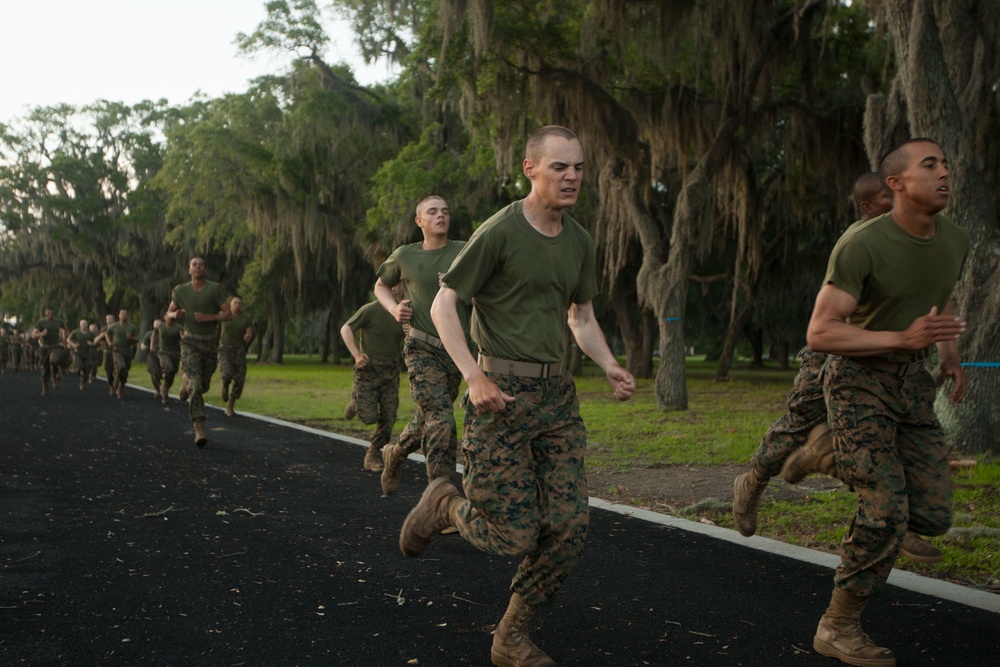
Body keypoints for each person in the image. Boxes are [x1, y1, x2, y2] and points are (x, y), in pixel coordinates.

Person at [401, 125, 636, 666]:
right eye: (560, 167)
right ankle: (443, 503)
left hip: (556, 400)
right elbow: (443, 306)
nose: (572, 176)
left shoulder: (579, 240)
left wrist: (609, 364)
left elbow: (581, 317)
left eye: (578, 166)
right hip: (498, 398)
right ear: (530, 169)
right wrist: (474, 377)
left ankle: (510, 637)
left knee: (570, 529)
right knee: (511, 535)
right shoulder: (501, 230)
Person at [798, 138, 968, 667]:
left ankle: (827, 452)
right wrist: (901, 339)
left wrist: (949, 354)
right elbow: (822, 332)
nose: (944, 172)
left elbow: (942, 295)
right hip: (857, 381)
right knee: (886, 510)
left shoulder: (954, 240)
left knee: (934, 515)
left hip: (910, 384)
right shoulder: (863, 245)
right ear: (895, 184)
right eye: (929, 165)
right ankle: (838, 626)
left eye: (945, 164)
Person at [732, 172, 941, 560]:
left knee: (885, 439)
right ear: (868, 207)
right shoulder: (858, 244)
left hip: (881, 364)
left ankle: (899, 517)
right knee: (795, 428)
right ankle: (754, 481)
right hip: (833, 354)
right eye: (887, 198)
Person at [374, 195, 469, 496]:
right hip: (421, 347)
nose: (441, 215)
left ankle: (396, 453)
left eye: (445, 211)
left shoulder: (464, 251)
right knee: (441, 419)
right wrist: (393, 308)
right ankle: (439, 502)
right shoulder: (405, 255)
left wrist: (459, 285)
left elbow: (488, 288)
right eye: (432, 212)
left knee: (427, 417)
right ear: (419, 221)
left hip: (456, 351)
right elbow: (381, 285)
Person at [167, 257, 232, 447]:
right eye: (194, 265)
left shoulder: (215, 289)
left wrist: (209, 317)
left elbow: (227, 314)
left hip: (210, 344)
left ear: (205, 269)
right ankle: (199, 427)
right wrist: (174, 314)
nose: (198, 267)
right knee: (196, 385)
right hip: (189, 343)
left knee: (202, 386)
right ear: (189, 269)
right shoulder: (180, 290)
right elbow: (167, 314)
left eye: (201, 265)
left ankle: (186, 384)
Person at [339, 286, 406, 472]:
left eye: (397, 285)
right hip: (368, 369)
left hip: (391, 372)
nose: (394, 289)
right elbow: (346, 329)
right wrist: (356, 355)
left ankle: (372, 455)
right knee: (368, 417)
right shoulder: (370, 310)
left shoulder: (402, 313)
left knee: (388, 418)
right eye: (389, 285)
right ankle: (356, 403)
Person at [218, 295, 253, 417]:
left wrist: (248, 336)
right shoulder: (223, 315)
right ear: (230, 303)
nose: (237, 305)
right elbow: (215, 329)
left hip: (238, 350)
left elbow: (249, 331)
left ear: (241, 305)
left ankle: (230, 405)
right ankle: (224, 384)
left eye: (239, 303)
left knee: (239, 380)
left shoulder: (246, 318)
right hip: (224, 350)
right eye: (234, 303)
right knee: (226, 374)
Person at [31, 306, 68, 396]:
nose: (50, 314)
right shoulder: (41, 322)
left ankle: (54, 376)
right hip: (44, 347)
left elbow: (65, 328)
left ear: (54, 313)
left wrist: (64, 339)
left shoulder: (59, 321)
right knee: (45, 367)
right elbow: (33, 335)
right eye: (48, 313)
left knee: (54, 360)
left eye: (52, 313)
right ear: (45, 313)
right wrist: (41, 333)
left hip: (55, 346)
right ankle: (45, 385)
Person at [103, 309, 139, 399]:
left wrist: (131, 338)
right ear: (119, 315)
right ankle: (116, 381)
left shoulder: (132, 327)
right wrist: (109, 343)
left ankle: (120, 387)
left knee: (125, 371)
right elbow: (106, 334)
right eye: (122, 314)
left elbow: (138, 338)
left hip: (127, 350)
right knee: (121, 366)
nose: (123, 315)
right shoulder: (114, 326)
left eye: (125, 314)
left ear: (127, 316)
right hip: (117, 350)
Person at [154, 313, 183, 405]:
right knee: (168, 368)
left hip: (174, 354)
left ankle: (165, 387)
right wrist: (152, 345)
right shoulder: (160, 326)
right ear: (165, 317)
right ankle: (164, 394)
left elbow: (183, 337)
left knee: (172, 372)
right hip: (163, 352)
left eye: (172, 316)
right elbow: (153, 335)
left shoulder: (178, 327)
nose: (170, 317)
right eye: (168, 316)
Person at [67, 318, 97, 389]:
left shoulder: (90, 334)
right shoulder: (75, 332)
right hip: (77, 353)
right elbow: (68, 339)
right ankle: (77, 370)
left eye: (85, 324)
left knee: (87, 369)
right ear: (80, 325)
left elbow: (95, 341)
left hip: (86, 353)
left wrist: (91, 343)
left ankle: (82, 383)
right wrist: (73, 345)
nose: (84, 325)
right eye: (82, 324)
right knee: (79, 366)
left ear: (87, 325)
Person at [139, 319, 163, 401]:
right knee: (154, 371)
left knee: (165, 372)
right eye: (155, 324)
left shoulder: (164, 333)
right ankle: (158, 389)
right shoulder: (149, 334)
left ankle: (164, 387)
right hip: (152, 355)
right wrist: (143, 346)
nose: (157, 325)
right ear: (153, 325)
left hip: (163, 355)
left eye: (158, 324)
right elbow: (143, 343)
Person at [98, 313, 116, 393]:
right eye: (107, 319)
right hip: (107, 351)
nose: (108, 320)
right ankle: (111, 385)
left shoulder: (117, 328)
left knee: (117, 369)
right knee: (107, 368)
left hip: (116, 351)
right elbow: (98, 341)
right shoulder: (104, 329)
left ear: (114, 320)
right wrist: (101, 336)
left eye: (110, 319)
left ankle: (117, 384)